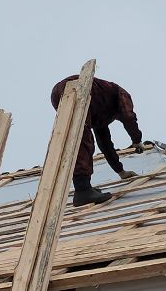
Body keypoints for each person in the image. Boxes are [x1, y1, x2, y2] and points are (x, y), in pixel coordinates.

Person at [50, 74, 143, 206]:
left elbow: (105, 143)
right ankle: (83, 190)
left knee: (80, 135)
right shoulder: (120, 94)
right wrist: (137, 140)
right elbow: (129, 117)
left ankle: (84, 187)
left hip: (60, 93)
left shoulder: (100, 113)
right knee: (83, 139)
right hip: (78, 87)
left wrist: (120, 171)